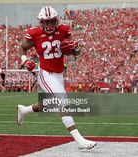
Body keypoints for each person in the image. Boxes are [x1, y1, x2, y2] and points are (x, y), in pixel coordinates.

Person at [17, 6, 97, 149]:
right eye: (46, 22)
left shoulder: (64, 30)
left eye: (51, 21)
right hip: (45, 73)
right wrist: (25, 60)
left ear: (56, 20)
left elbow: (75, 53)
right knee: (63, 102)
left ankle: (24, 110)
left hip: (59, 73)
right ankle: (79, 140)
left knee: (52, 104)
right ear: (40, 22)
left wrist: (76, 47)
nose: (49, 25)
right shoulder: (34, 34)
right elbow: (22, 47)